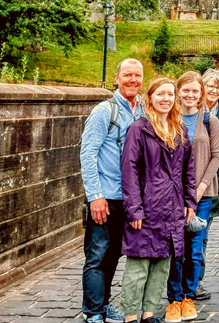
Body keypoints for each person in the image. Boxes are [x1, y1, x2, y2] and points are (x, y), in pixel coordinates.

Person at [120, 78, 196, 323]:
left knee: (162, 264)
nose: (166, 99)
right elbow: (129, 170)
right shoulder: (139, 129)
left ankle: (149, 314)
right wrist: (134, 210)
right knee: (139, 264)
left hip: (172, 208)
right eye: (160, 94)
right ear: (150, 98)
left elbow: (189, 170)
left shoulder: (179, 129)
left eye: (170, 94)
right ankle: (131, 315)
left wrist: (189, 201)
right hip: (147, 206)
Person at [80, 58, 144, 323]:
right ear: (117, 77)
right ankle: (92, 310)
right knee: (97, 255)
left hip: (128, 198)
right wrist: (95, 196)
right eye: (127, 75)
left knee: (115, 253)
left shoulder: (141, 111)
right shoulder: (104, 111)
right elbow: (87, 153)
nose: (132, 80)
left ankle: (104, 304)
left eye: (137, 76)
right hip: (105, 197)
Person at [165, 72, 219, 323]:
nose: (190, 95)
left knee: (195, 247)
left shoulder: (210, 120)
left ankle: (189, 294)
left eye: (195, 91)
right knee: (175, 248)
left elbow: (217, 155)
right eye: (185, 90)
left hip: (203, 193)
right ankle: (174, 298)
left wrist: (200, 187)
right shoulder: (169, 118)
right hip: (172, 195)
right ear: (178, 91)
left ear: (201, 94)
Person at [194, 68, 219, 300]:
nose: (213, 90)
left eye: (218, 87)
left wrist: (214, 149)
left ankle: (196, 280)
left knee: (202, 233)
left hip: (212, 179)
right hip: (188, 178)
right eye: (210, 85)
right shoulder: (191, 110)